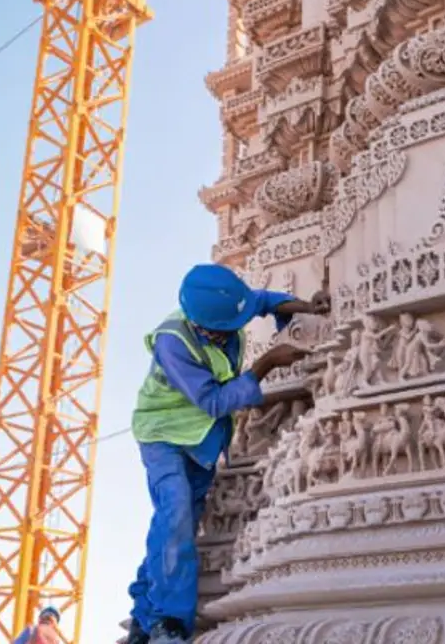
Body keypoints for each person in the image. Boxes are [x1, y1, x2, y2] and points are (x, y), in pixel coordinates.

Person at [125, 263, 329, 644]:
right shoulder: (174, 343)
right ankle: (170, 622)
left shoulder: (224, 308)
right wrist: (266, 364)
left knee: (175, 521)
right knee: (176, 513)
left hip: (202, 439)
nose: (233, 330)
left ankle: (143, 611)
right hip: (163, 434)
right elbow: (213, 400)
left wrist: (304, 306)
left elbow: (263, 301)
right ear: (203, 326)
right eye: (226, 328)